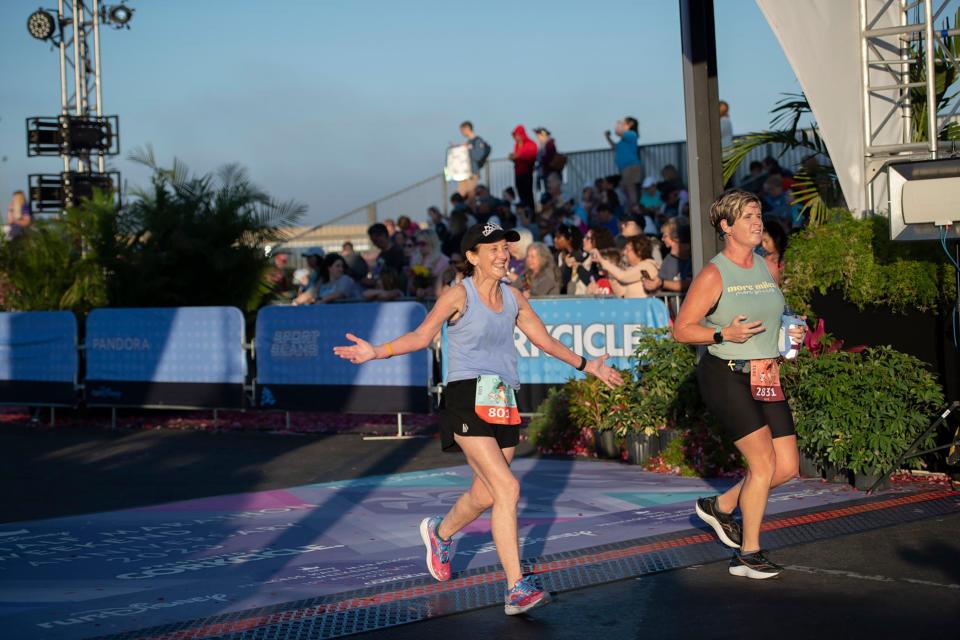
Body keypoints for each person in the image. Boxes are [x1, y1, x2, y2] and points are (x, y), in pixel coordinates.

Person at [334, 221, 623, 615]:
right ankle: (516, 586)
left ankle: (440, 532)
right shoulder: (458, 295)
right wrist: (376, 352)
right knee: (507, 488)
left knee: (486, 493)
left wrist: (590, 365)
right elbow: (421, 337)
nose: (503, 254)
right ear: (472, 257)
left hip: (502, 398)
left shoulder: (516, 297)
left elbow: (545, 340)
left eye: (506, 247)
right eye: (493, 249)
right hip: (465, 398)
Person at [673, 189, 807, 580]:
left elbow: (775, 311)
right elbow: (683, 330)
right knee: (763, 464)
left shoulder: (765, 264)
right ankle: (748, 554)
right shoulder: (714, 273)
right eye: (747, 216)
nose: (757, 221)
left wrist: (790, 331)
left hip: (766, 373)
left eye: (758, 213)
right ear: (726, 227)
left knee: (787, 467)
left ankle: (721, 506)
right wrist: (722, 334)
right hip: (726, 373)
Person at [591, 235, 659, 298]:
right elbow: (620, 293)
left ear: (639, 252)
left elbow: (623, 276)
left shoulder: (647, 266)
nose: (624, 253)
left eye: (627, 249)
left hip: (644, 309)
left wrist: (602, 261)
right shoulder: (631, 268)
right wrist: (611, 275)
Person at [604, 117, 643, 211]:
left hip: (630, 166)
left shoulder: (631, 134)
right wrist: (607, 137)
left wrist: (618, 124)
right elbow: (615, 147)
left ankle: (635, 208)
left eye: (624, 123)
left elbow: (618, 132)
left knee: (630, 188)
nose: (622, 125)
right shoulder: (625, 139)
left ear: (629, 125)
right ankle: (632, 207)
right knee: (626, 188)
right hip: (626, 167)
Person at [644, 219, 692, 295]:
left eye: (665, 235)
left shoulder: (694, 260)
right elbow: (659, 281)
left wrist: (662, 283)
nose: (662, 239)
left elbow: (689, 283)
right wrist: (653, 284)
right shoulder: (668, 259)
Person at [457, 121, 491, 199]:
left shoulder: (477, 140)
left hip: (472, 172)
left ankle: (471, 210)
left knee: (470, 194)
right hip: (464, 173)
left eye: (462, 130)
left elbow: (478, 156)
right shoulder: (468, 142)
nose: (461, 132)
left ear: (467, 128)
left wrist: (466, 149)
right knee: (462, 194)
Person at [410, 229, 450, 296]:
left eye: (422, 244)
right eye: (418, 244)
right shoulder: (415, 259)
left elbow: (447, 285)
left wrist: (430, 290)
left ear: (432, 242)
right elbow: (411, 286)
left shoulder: (444, 261)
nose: (419, 247)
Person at [509, 125, 538, 209]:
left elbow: (531, 156)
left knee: (528, 194)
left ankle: (531, 213)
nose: (516, 137)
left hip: (526, 173)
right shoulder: (517, 145)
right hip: (518, 173)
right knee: (521, 194)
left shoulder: (530, 144)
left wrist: (518, 157)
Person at [759, 217, 788, 285]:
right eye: (762, 242)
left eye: (766, 241)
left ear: (775, 238)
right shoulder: (766, 258)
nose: (763, 245)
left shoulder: (788, 256)